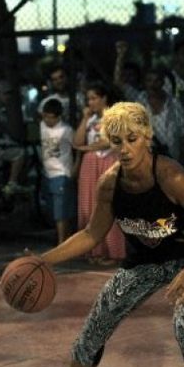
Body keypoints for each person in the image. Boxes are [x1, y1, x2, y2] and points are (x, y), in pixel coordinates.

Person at [32, 101, 184, 367]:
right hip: (145, 263)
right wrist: (44, 261)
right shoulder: (110, 184)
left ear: (147, 137)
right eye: (116, 140)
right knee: (99, 318)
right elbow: (93, 234)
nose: (124, 148)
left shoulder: (171, 176)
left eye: (132, 139)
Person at [73, 82, 125, 263]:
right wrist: (84, 120)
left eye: (94, 98)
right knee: (89, 205)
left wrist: (86, 147)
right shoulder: (90, 120)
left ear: (104, 98)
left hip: (109, 160)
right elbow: (76, 141)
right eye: (88, 99)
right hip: (90, 163)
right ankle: (94, 250)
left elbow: (109, 142)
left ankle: (113, 251)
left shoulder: (115, 118)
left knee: (109, 204)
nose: (90, 102)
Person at [39, 98, 76, 244]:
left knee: (61, 212)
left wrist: (75, 168)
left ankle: (62, 242)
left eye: (51, 117)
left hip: (61, 173)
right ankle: (63, 238)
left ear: (59, 116)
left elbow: (76, 148)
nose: (47, 120)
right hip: (47, 173)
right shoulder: (42, 125)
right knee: (53, 209)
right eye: (45, 116)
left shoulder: (66, 130)